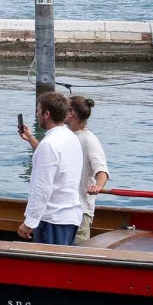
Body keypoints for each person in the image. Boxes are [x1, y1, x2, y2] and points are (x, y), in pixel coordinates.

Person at [17, 91, 86, 246]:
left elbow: (42, 188)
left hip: (52, 219)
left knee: (47, 268)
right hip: (71, 216)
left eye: (38, 111)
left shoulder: (49, 144)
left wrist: (30, 222)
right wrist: (30, 138)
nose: (36, 115)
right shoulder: (71, 138)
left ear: (46, 114)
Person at [68, 95, 109, 245]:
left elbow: (102, 170)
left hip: (80, 210)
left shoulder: (89, 140)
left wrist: (98, 185)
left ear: (71, 112)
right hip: (66, 207)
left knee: (76, 253)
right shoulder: (67, 136)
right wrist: (31, 139)